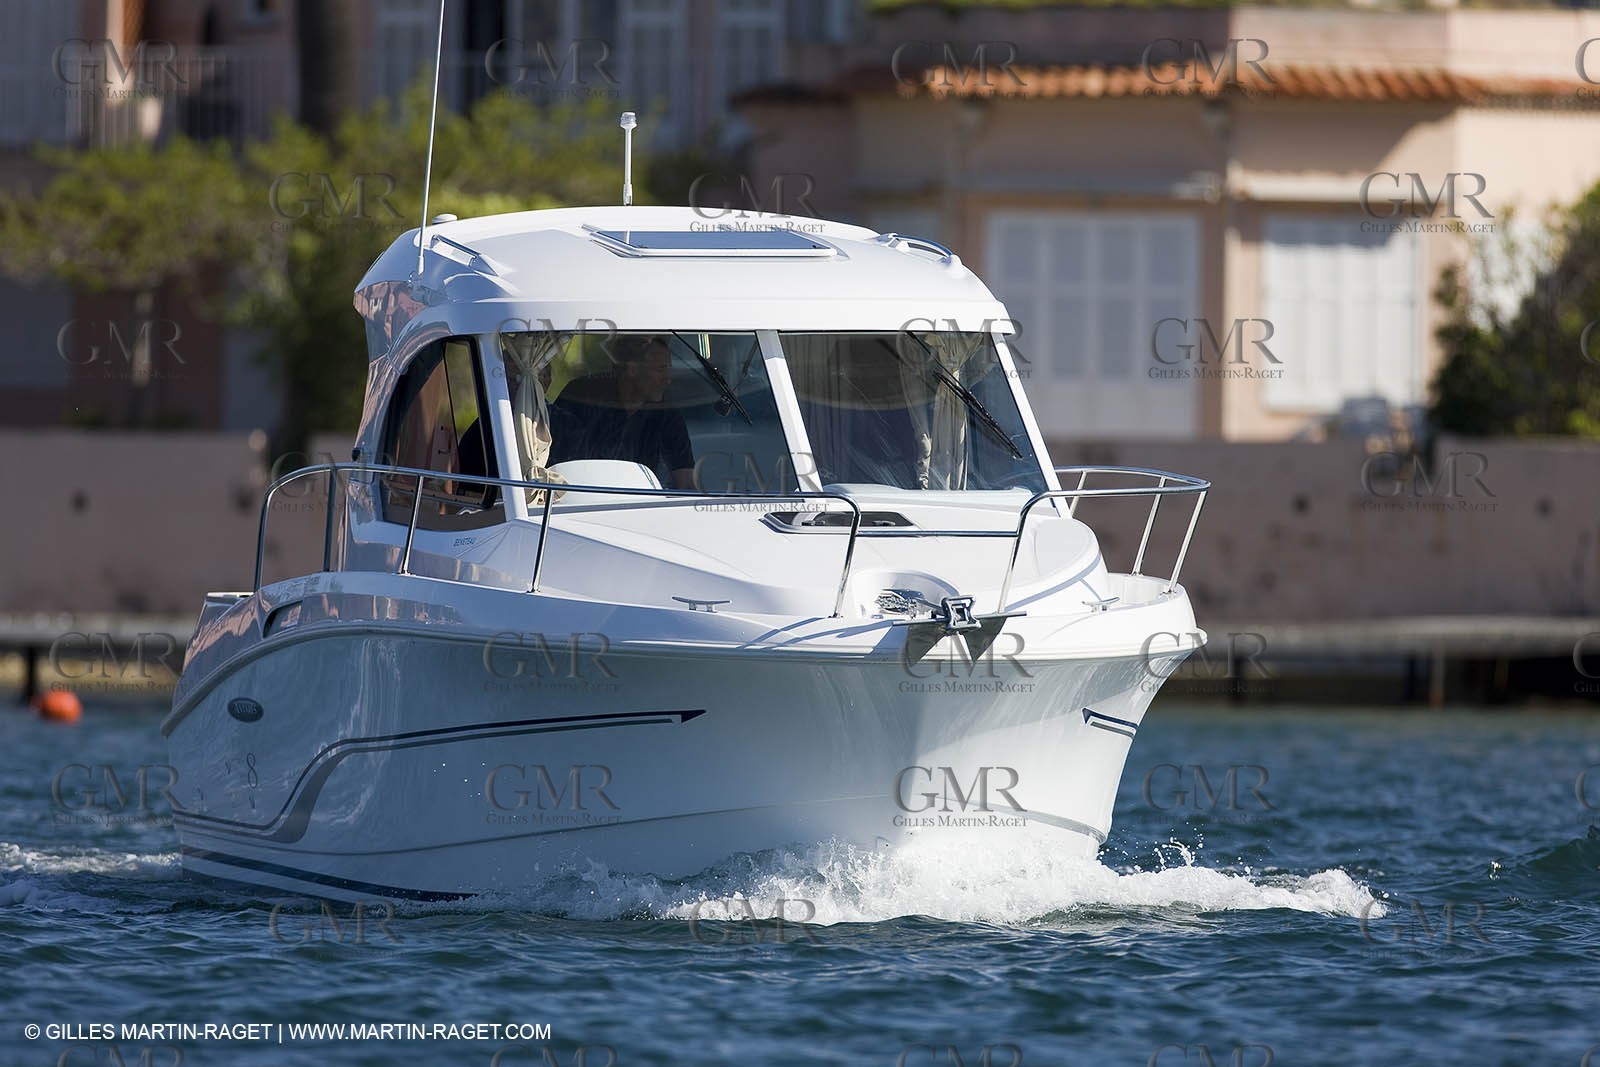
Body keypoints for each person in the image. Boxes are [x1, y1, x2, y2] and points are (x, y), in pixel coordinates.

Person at [549, 335, 696, 489]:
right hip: (580, 504)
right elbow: (558, 473)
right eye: (660, 369)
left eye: (668, 369)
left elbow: (686, 482)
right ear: (632, 369)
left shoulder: (667, 413)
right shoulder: (580, 400)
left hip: (648, 505)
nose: (668, 379)